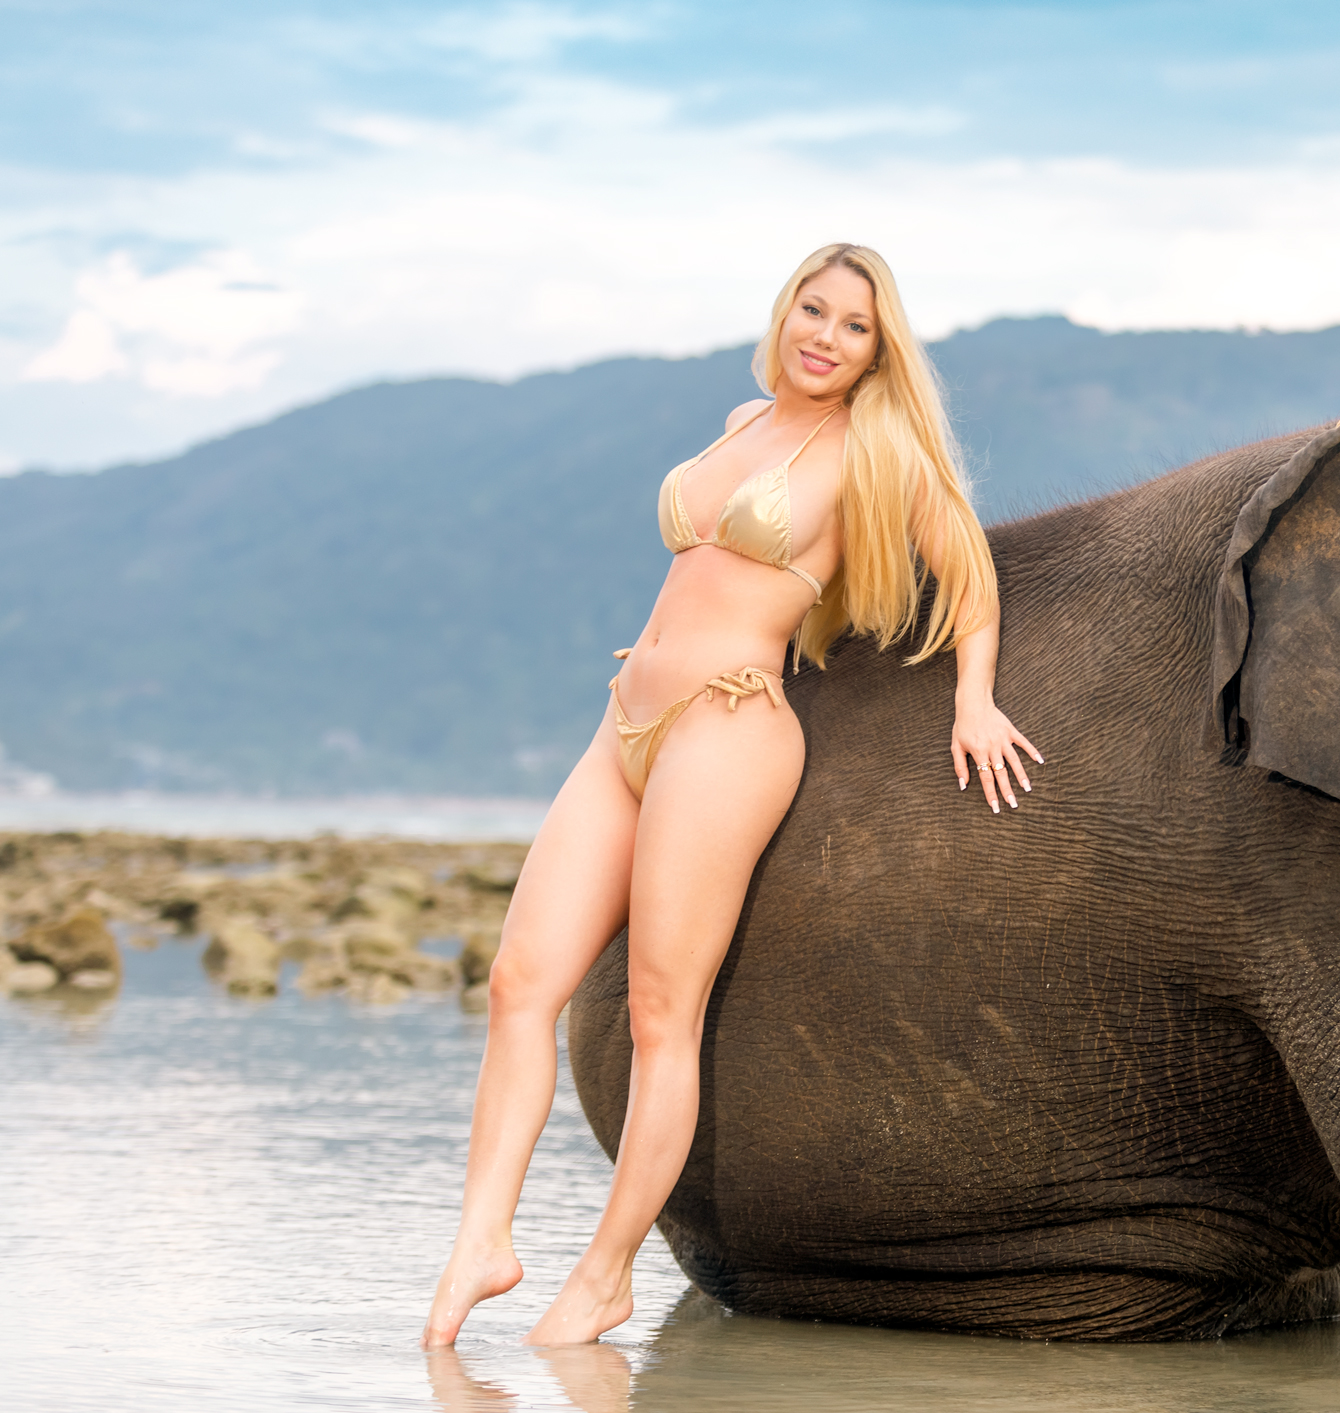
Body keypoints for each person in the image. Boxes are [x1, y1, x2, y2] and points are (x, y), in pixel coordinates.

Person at [423, 244, 1039, 1347]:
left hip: (730, 725)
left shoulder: (873, 449)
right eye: (815, 309)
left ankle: (606, 1273)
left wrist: (974, 701)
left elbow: (970, 568)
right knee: (519, 983)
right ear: (786, 308)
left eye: (855, 327)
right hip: (626, 724)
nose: (826, 336)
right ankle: (484, 1237)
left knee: (665, 1015)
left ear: (876, 351)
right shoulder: (740, 419)